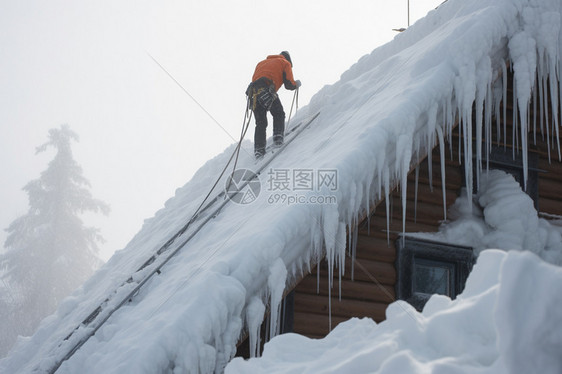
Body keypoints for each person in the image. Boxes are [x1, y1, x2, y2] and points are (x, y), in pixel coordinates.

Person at [247, 51, 301, 159]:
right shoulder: (284, 62)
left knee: (261, 122)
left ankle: (259, 149)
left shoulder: (261, 63)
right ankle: (278, 137)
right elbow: (289, 84)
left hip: (253, 94)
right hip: (266, 89)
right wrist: (296, 84)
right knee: (278, 113)